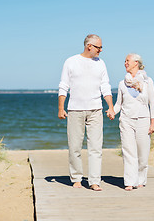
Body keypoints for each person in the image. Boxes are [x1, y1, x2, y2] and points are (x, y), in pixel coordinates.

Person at [58, 34, 115, 191]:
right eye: (99, 47)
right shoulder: (71, 62)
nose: (101, 50)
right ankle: (76, 178)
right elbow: (63, 85)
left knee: (96, 147)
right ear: (89, 46)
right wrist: (60, 108)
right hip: (75, 110)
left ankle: (94, 181)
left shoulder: (101, 64)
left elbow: (106, 86)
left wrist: (110, 106)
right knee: (75, 146)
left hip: (96, 109)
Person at [114, 53, 154, 191]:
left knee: (143, 154)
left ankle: (141, 179)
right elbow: (118, 104)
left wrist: (153, 122)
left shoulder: (148, 82)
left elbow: (152, 103)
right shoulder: (122, 83)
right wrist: (112, 111)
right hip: (126, 120)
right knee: (128, 152)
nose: (125, 63)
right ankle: (129, 182)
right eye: (124, 61)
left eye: (127, 61)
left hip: (143, 120)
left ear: (136, 62)